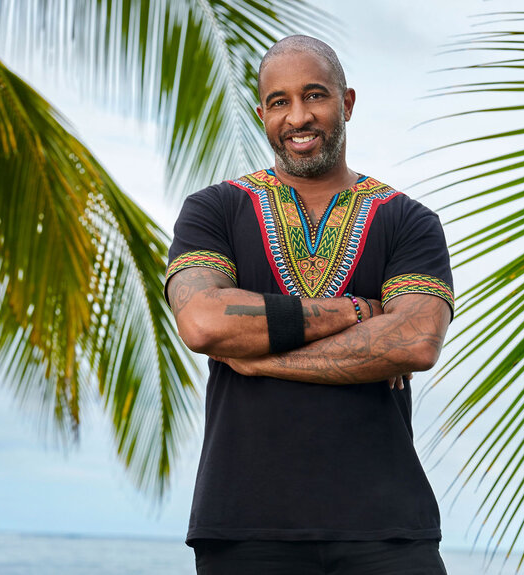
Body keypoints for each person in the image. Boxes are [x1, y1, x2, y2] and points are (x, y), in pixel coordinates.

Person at [165, 34, 453, 575]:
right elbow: (203, 322)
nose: (298, 117)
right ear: (262, 115)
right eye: (280, 102)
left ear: (347, 102)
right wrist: (358, 312)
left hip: (387, 525)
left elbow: (415, 341)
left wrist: (257, 358)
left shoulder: (408, 221)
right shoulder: (214, 211)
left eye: (314, 95)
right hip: (246, 525)